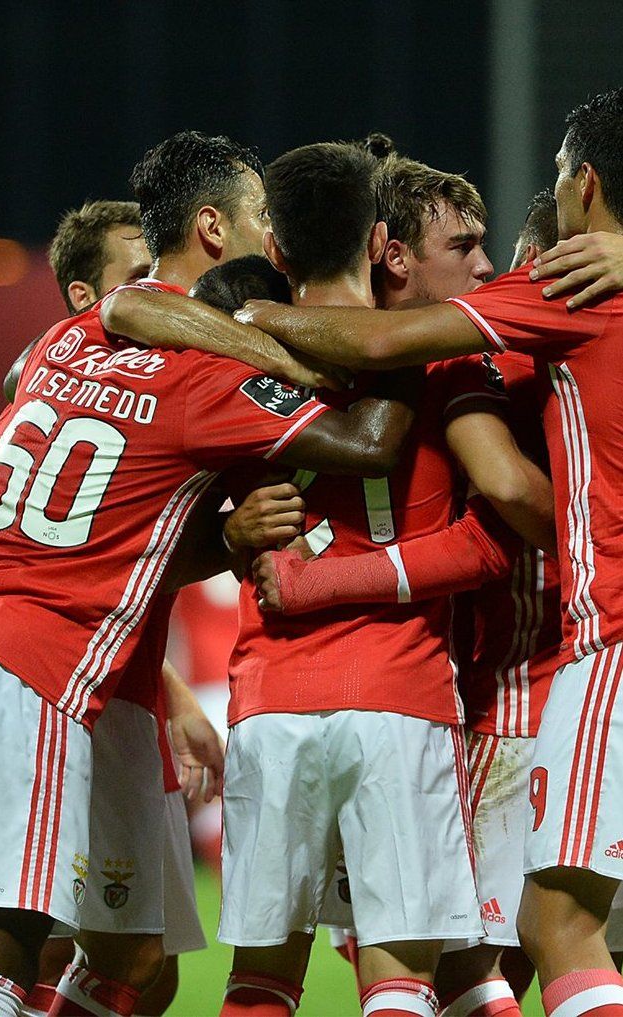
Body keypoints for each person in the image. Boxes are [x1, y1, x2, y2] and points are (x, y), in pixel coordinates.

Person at [0, 129, 415, 1017]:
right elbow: (368, 444)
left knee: (89, 961)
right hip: (35, 667)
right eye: (259, 218)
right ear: (212, 227)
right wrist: (394, 337)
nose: (274, 238)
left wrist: (227, 534)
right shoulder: (203, 373)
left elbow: (81, 454)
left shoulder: (67, 335)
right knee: (2, 956)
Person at [239, 89, 623, 1017]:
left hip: (531, 681)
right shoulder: (512, 334)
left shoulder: (497, 349)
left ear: (586, 190)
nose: (489, 267)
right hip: (463, 691)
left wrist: (234, 318)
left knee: (527, 939)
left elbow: (504, 509)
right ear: (390, 251)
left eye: (496, 251)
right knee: (477, 961)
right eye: (466, 248)